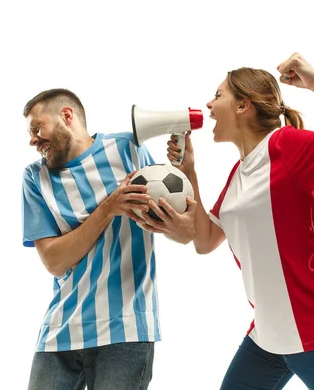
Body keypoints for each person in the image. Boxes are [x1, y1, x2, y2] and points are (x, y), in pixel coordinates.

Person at [139, 53, 314, 389]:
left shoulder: (287, 145)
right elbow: (204, 241)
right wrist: (189, 170)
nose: (209, 103)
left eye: (218, 96)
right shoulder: (239, 172)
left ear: (243, 105)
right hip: (268, 335)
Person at [20, 88, 193, 389]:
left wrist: (186, 171)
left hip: (126, 332)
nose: (32, 139)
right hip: (60, 332)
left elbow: (185, 234)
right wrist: (109, 208)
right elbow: (54, 260)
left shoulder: (128, 150)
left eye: (37, 127)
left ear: (67, 116)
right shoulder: (35, 177)